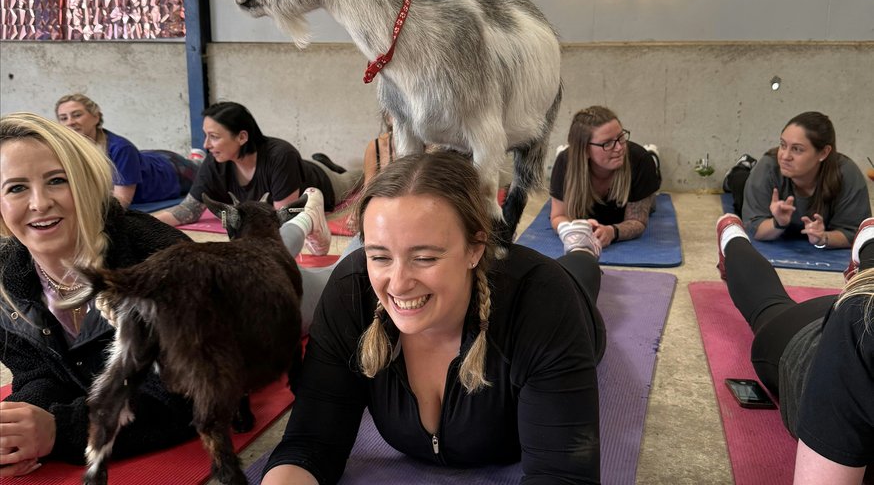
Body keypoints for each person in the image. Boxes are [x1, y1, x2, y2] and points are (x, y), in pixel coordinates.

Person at [261, 151, 605, 484]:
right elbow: (310, 443)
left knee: (582, 271)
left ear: (475, 248)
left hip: (569, 296)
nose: (397, 283)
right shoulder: (352, 291)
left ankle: (583, 248)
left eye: (424, 258)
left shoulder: (542, 300)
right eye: (380, 257)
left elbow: (563, 475)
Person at [0, 113, 196, 478]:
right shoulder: (7, 277)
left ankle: (303, 221)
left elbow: (184, 394)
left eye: (57, 180)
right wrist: (18, 427)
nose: (39, 203)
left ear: (86, 184)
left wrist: (60, 430)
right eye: (16, 188)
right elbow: (38, 371)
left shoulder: (161, 259)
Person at [716, 213, 874, 483]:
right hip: (815, 338)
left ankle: (869, 247)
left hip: (853, 312)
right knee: (769, 309)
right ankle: (732, 239)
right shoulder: (856, 330)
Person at [154, 101, 360, 255]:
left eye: (214, 137)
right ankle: (327, 161)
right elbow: (187, 211)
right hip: (295, 169)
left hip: (323, 180)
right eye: (206, 135)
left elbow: (282, 219)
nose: (206, 144)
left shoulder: (281, 155)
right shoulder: (214, 162)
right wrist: (147, 221)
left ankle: (331, 165)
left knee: (354, 178)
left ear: (242, 137)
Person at [739, 111, 870, 249]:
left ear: (824, 153)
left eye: (797, 149)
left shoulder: (846, 174)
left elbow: (857, 233)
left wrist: (823, 238)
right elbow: (754, 229)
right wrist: (778, 223)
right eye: (783, 145)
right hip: (752, 181)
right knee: (739, 183)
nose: (785, 156)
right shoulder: (768, 167)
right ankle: (740, 168)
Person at [55, 93, 200, 208]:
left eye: (77, 115)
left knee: (205, 173)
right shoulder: (63, 151)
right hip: (145, 158)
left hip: (172, 171)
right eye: (63, 118)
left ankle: (198, 160)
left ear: (95, 116)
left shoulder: (121, 149)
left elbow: (121, 201)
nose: (70, 122)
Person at [550, 106, 661, 250]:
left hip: (626, 203)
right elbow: (558, 216)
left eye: (621, 137)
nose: (620, 148)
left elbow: (637, 221)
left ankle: (654, 160)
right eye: (607, 143)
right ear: (584, 150)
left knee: (651, 203)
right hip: (584, 192)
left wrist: (612, 232)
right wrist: (574, 229)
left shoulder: (639, 160)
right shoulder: (565, 162)